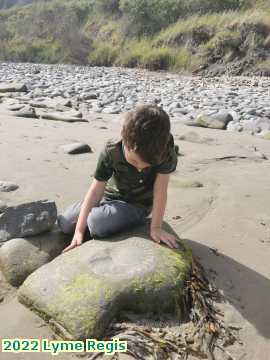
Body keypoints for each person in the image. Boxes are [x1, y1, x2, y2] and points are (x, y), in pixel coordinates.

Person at [58, 104, 179, 252]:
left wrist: (156, 227)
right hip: (107, 198)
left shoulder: (165, 151)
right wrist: (78, 230)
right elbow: (96, 191)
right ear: (123, 135)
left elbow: (160, 191)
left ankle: (109, 218)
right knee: (66, 223)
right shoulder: (112, 150)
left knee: (96, 223)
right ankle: (96, 216)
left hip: (136, 205)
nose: (140, 167)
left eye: (148, 165)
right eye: (134, 161)